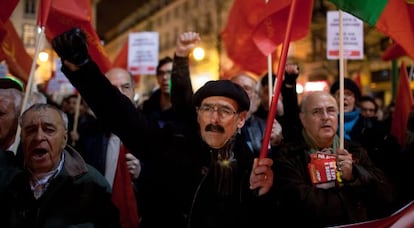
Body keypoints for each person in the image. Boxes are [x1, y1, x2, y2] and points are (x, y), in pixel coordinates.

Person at [52, 28, 275, 228]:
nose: (214, 118)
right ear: (197, 114)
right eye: (207, 108)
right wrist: (82, 68)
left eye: (225, 111)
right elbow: (121, 115)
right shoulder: (172, 146)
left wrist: (266, 191)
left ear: (241, 119)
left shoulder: (253, 164)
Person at [273, 91, 395, 227]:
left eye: (331, 111)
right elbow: (304, 206)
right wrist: (355, 198)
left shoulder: (355, 150)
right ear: (303, 119)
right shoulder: (288, 155)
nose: (325, 117)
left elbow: (386, 195)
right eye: (316, 112)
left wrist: (354, 175)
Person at [2, 103, 120, 227]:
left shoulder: (92, 184)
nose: (38, 137)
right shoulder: (6, 176)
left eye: (49, 130)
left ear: (64, 139)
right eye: (31, 130)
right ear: (22, 138)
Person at [75, 67, 141, 227]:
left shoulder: (154, 130)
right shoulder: (87, 134)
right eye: (112, 89)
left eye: (125, 87)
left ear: (133, 91)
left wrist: (142, 173)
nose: (119, 93)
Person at [230, 72, 283, 157]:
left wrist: (276, 144)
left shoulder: (267, 127)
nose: (240, 92)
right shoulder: (217, 122)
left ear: (257, 97)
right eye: (235, 87)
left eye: (247, 88)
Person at [140, 56, 175, 128]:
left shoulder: (186, 108)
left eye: (170, 73)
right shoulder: (147, 107)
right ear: (157, 78)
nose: (165, 77)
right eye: (161, 73)